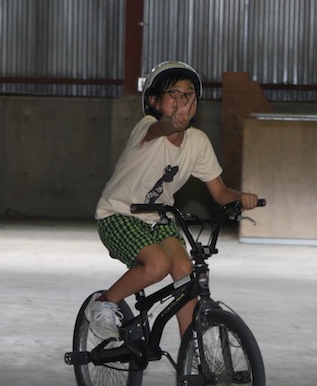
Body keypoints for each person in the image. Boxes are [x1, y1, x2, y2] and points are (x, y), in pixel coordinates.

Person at [86, 61, 259, 341]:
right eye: (173, 95)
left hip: (158, 218)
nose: (182, 101)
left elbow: (219, 192)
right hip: (118, 214)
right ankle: (104, 302)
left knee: (185, 270)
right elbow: (162, 128)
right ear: (154, 101)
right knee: (158, 264)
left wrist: (241, 198)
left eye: (188, 95)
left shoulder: (198, 142)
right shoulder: (147, 128)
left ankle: (191, 348)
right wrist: (171, 123)